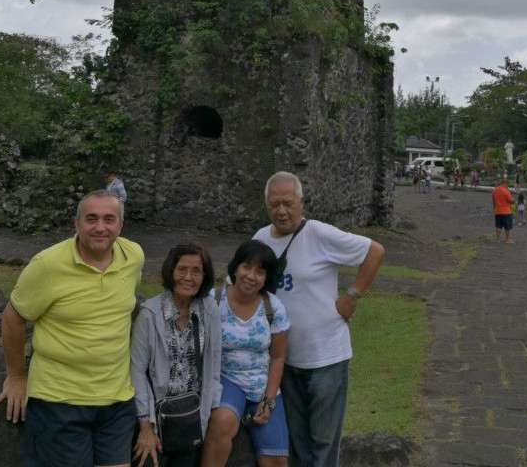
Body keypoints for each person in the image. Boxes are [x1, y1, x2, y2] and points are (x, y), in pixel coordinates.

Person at [0, 190, 144, 467]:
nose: (100, 227)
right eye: (91, 219)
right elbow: (12, 318)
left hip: (117, 400)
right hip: (59, 400)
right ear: (76, 224)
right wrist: (15, 375)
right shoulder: (47, 265)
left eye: (109, 219)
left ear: (120, 225)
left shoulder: (133, 256)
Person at [253, 171, 385, 467]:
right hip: (283, 361)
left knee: (324, 444)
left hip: (325, 357)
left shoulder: (319, 233)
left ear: (301, 203)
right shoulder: (261, 239)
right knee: (296, 440)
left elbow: (374, 252)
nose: (282, 210)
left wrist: (351, 295)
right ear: (266, 205)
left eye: (288, 203)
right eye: (275, 204)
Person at [131, 243, 222, 467]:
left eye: (196, 271)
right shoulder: (150, 314)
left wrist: (206, 418)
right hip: (156, 417)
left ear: (205, 276)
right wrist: (146, 426)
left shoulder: (209, 310)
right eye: (182, 269)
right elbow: (137, 370)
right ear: (171, 271)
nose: (188, 277)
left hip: (189, 417)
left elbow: (213, 365)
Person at [201, 240, 289, 467]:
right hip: (226, 377)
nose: (251, 276)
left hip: (262, 383)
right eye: (246, 267)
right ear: (236, 268)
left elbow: (278, 356)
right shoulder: (213, 300)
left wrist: (268, 400)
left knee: (276, 459)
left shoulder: (274, 307)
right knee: (222, 422)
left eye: (260, 272)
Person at [492, 179, 514, 243]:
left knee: (498, 225)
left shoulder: (494, 190)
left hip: (497, 211)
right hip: (505, 211)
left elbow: (493, 202)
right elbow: (510, 200)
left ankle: (498, 239)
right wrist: (513, 200)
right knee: (507, 226)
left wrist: (494, 209)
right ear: (505, 183)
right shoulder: (506, 191)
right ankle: (508, 239)